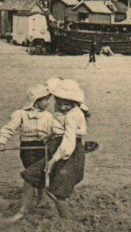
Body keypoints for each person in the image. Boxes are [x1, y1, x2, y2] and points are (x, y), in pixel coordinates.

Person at [17, 79, 90, 220]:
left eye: (66, 104)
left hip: (69, 152)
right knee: (30, 176)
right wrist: (50, 136)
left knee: (59, 191)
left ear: (74, 102)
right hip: (55, 146)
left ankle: (66, 222)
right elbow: (59, 129)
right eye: (59, 103)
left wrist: (52, 161)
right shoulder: (62, 111)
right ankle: (22, 212)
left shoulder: (73, 115)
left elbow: (68, 142)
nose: (62, 107)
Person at [0, 84, 55, 217]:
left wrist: (51, 136)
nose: (48, 102)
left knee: (43, 172)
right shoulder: (21, 114)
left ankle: (41, 199)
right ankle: (27, 201)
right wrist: (2, 141)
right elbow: (9, 128)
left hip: (42, 147)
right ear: (36, 100)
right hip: (28, 148)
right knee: (31, 172)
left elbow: (54, 129)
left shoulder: (48, 116)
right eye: (45, 100)